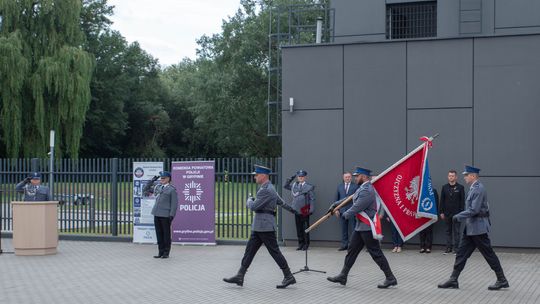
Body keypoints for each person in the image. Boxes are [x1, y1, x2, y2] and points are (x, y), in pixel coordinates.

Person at [223, 165, 297, 289]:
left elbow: (254, 207)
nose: (254, 177)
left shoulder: (266, 190)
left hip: (264, 226)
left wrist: (249, 200)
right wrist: (292, 209)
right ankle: (240, 276)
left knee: (275, 252)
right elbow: (280, 201)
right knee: (249, 251)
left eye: (256, 175)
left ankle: (288, 276)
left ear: (263, 176)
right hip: (260, 226)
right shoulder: (269, 187)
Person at [438, 165, 509, 290]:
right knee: (461, 253)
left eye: (466, 175)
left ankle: (502, 280)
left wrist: (458, 216)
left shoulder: (478, 189)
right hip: (471, 229)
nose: (464, 177)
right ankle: (453, 279)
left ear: (473, 176)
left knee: (488, 254)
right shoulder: (473, 188)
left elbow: (474, 210)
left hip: (478, 229)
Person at [327, 167, 397, 289]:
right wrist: (336, 204)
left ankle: (390, 278)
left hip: (367, 227)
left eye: (357, 176)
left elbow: (358, 206)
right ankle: (343, 275)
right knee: (352, 251)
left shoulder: (368, 190)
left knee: (376, 253)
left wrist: (345, 214)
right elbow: (351, 198)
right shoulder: (363, 188)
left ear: (364, 177)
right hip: (360, 227)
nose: (355, 178)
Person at [143, 171, 178, 259]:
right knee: (159, 234)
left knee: (166, 234)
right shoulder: (158, 187)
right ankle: (160, 252)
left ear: (168, 179)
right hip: (156, 213)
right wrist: (151, 181)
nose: (161, 180)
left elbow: (174, 204)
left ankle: (166, 252)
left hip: (166, 215)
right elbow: (145, 190)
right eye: (161, 178)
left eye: (163, 178)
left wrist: (171, 215)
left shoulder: (172, 189)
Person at [284, 170, 315, 251]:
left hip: (305, 210)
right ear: (297, 177)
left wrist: (311, 209)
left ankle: (306, 244)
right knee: (299, 228)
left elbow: (312, 199)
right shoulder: (295, 186)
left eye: (302, 177)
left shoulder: (309, 187)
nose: (300, 178)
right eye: (299, 177)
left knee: (306, 227)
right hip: (296, 210)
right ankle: (300, 243)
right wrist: (291, 178)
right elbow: (285, 186)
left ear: (305, 177)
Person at [440, 170, 465, 254]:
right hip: (447, 214)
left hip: (457, 214)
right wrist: (441, 212)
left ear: (456, 177)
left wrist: (461, 213)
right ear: (448, 177)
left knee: (457, 232)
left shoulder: (460, 187)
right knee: (448, 231)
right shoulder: (444, 187)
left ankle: (456, 249)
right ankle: (448, 248)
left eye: (452, 176)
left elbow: (462, 202)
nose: (451, 177)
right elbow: (442, 201)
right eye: (450, 176)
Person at [335, 172, 359, 251]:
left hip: (352, 211)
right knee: (344, 229)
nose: (347, 178)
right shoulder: (339, 187)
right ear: (343, 178)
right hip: (342, 211)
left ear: (351, 177)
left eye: (349, 177)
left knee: (353, 229)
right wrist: (336, 209)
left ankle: (352, 246)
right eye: (346, 177)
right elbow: (336, 199)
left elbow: (358, 199)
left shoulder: (355, 186)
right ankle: (344, 245)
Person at [419, 189, 439, 253]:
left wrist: (435, 214)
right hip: (421, 214)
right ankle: (422, 247)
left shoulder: (433, 191)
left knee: (429, 231)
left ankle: (428, 247)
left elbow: (436, 202)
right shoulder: (420, 190)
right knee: (422, 231)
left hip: (430, 214)